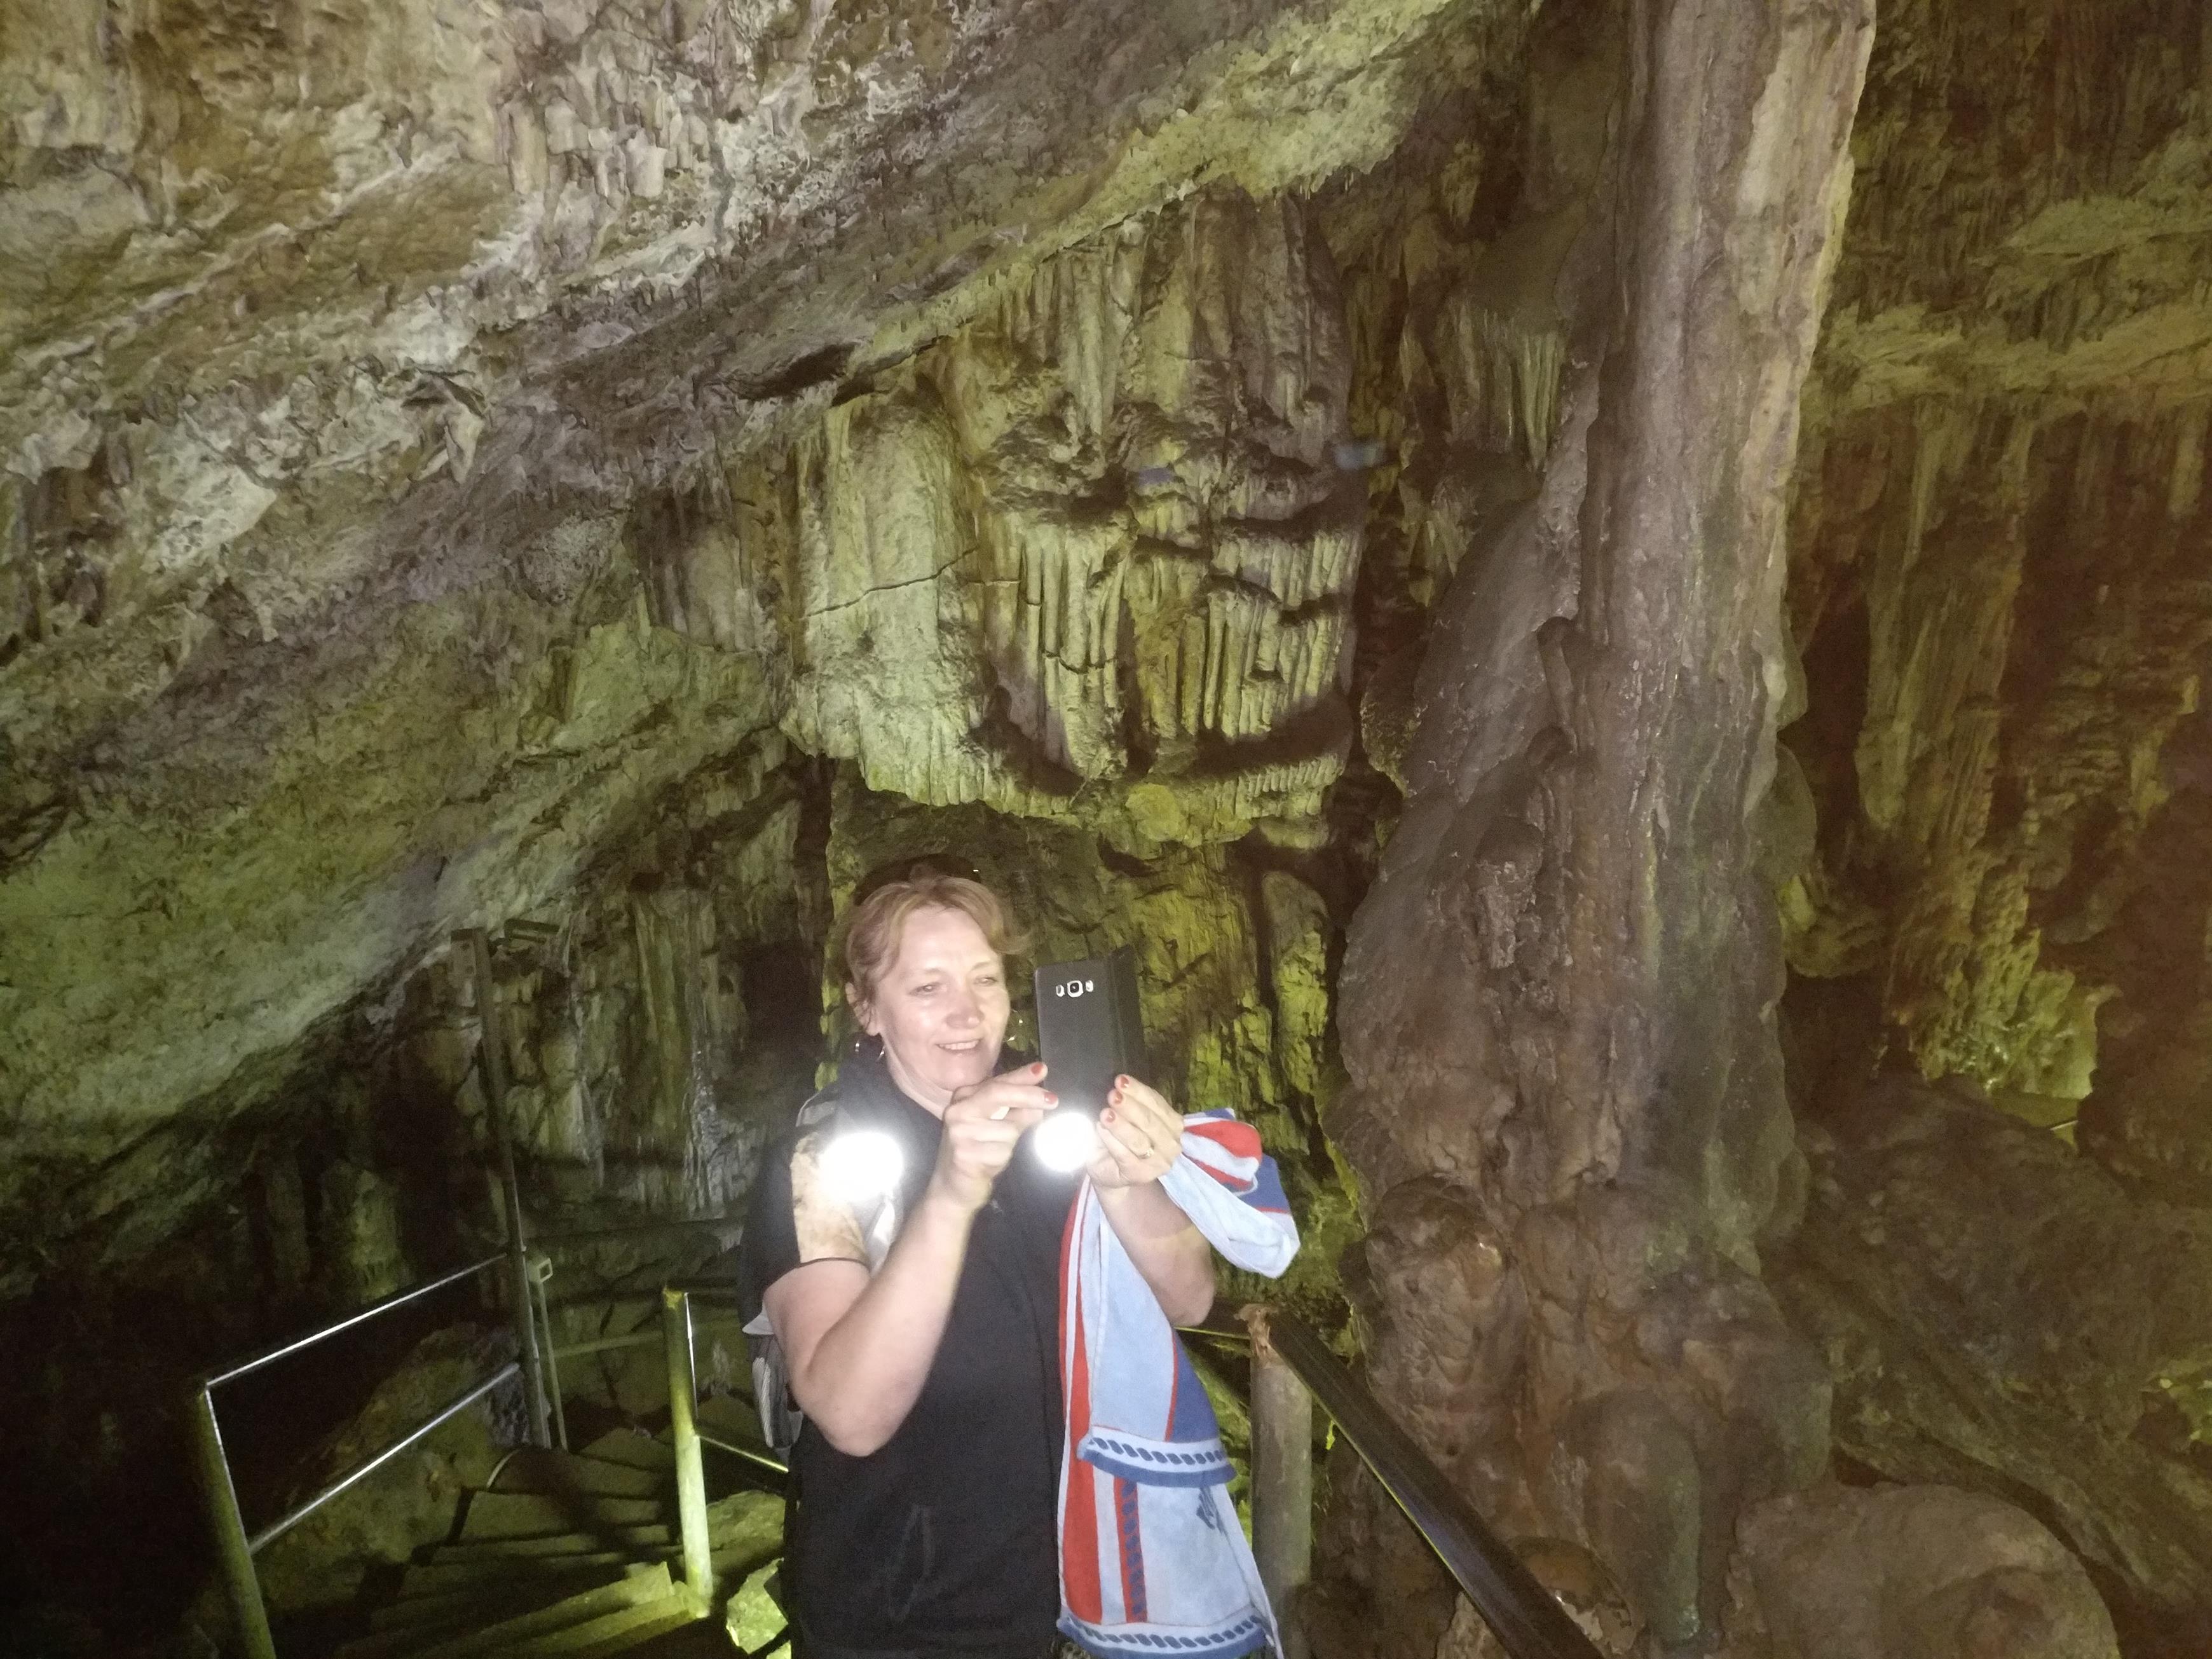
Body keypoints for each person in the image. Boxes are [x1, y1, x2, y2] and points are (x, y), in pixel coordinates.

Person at [739, 860, 1216, 1659]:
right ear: (868, 1008)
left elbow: (1191, 1298)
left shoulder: (1055, 1125)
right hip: (899, 1617)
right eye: (927, 988)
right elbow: (851, 1416)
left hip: (1067, 1597)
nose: (966, 1013)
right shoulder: (818, 1163)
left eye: (985, 979)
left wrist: (1126, 1179)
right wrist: (950, 1193)